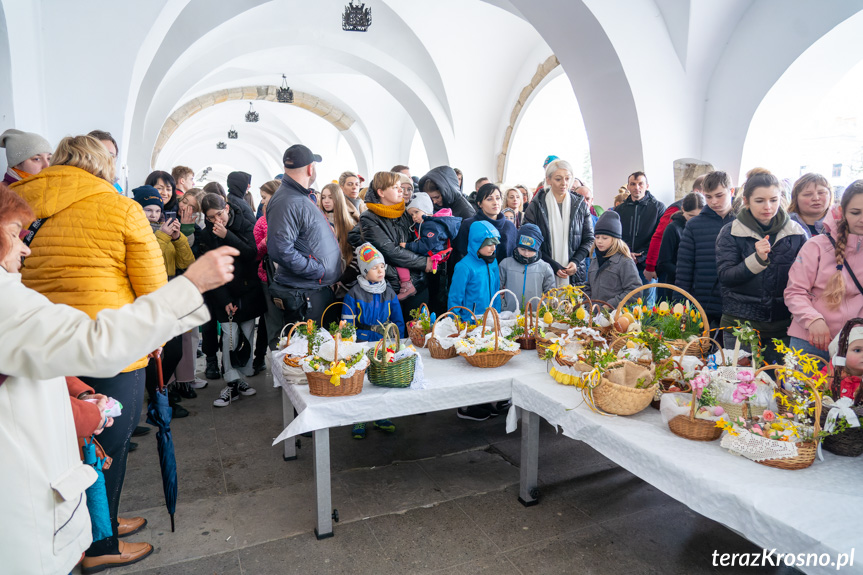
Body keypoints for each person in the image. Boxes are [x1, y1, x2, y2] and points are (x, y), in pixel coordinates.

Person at [0, 181, 237, 574]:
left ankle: (99, 530)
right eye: (13, 235)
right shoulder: (4, 300)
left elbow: (37, 352)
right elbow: (93, 339)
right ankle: (100, 539)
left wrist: (76, 389)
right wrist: (191, 285)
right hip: (23, 477)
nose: (26, 247)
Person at [11, 135, 173, 567]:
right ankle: (101, 544)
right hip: (108, 342)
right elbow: (153, 284)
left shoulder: (21, 201)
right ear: (101, 165)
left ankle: (97, 521)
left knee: (63, 442)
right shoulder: (119, 207)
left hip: (42, 342)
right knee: (109, 439)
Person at [716, 170, 807, 365]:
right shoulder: (731, 231)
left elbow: (805, 280)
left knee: (778, 387)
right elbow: (726, 276)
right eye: (760, 201)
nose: (768, 207)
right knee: (737, 385)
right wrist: (756, 259)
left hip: (782, 326)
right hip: (739, 324)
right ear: (746, 200)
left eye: (773, 200)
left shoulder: (796, 233)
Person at [267, 144, 343, 332]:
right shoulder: (288, 200)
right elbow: (280, 249)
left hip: (311, 289)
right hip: (304, 293)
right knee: (307, 352)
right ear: (310, 168)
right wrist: (316, 270)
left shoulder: (296, 196)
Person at [199, 193, 265, 407]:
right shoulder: (207, 235)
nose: (217, 220)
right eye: (211, 218)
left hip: (247, 292)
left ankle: (241, 380)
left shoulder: (245, 224)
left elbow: (250, 254)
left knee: (246, 336)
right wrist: (224, 299)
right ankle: (231, 381)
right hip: (224, 293)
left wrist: (227, 234)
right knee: (229, 339)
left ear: (226, 208)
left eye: (219, 214)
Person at [785, 181, 863, 361]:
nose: (862, 219)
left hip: (855, 344)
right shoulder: (816, 245)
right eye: (855, 212)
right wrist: (813, 319)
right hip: (810, 339)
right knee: (801, 390)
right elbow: (794, 291)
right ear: (842, 212)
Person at [351, 171, 432, 318]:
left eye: (401, 186)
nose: (401, 190)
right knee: (395, 335)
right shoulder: (369, 218)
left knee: (420, 334)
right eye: (395, 187)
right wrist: (423, 262)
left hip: (419, 284)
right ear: (381, 192)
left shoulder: (407, 212)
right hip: (391, 288)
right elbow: (389, 251)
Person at [675, 171, 735, 328]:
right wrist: (680, 304)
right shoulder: (694, 225)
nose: (714, 201)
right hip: (702, 303)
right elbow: (684, 268)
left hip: (736, 304)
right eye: (708, 197)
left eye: (719, 195)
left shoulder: (743, 223)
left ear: (731, 191)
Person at [523, 159, 594, 287]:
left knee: (574, 307)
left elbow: (589, 239)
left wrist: (576, 261)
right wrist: (551, 264)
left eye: (567, 178)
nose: (564, 184)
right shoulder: (535, 206)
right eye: (558, 179)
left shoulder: (580, 205)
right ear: (548, 180)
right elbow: (529, 241)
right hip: (543, 269)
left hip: (574, 274)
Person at [644, 174, 705, 282]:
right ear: (683, 210)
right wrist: (650, 266)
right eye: (691, 216)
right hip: (676, 279)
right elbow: (658, 238)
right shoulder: (673, 225)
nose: (693, 221)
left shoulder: (704, 225)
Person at [614, 172, 666, 299]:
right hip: (624, 262)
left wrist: (642, 256)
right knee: (625, 302)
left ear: (647, 186)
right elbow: (616, 236)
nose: (637, 187)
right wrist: (626, 253)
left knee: (647, 305)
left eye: (640, 184)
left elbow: (660, 237)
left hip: (646, 265)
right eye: (633, 184)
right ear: (628, 187)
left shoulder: (658, 207)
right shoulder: (619, 210)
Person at [584, 211, 642, 307]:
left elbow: (635, 291)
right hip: (594, 317)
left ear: (615, 239)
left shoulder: (625, 262)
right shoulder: (595, 260)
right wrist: (586, 305)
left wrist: (610, 306)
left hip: (616, 317)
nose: (599, 241)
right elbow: (588, 286)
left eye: (605, 238)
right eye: (597, 237)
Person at [251, 180, 280, 369]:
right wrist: (266, 242)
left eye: (264, 197)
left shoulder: (287, 217)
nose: (262, 202)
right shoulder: (262, 222)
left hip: (289, 279)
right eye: (261, 198)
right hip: (267, 278)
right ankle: (278, 370)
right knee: (274, 324)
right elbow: (254, 254)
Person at [453, 183, 518, 269]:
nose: (495, 202)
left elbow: (514, 255)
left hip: (503, 277)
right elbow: (460, 255)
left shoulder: (509, 226)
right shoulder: (469, 224)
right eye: (489, 199)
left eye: (498, 198)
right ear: (480, 204)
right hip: (476, 277)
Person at [655, 191, 704, 299]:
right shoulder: (672, 229)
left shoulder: (704, 228)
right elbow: (663, 263)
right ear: (683, 209)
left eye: (698, 216)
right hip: (676, 285)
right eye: (690, 215)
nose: (694, 219)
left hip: (699, 287)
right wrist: (686, 275)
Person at [448, 220, 501, 320]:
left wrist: (497, 315)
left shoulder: (493, 262)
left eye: (495, 244)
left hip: (491, 319)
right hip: (470, 321)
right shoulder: (464, 266)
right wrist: (455, 322)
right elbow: (455, 298)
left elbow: (496, 291)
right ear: (477, 243)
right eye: (489, 244)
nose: (493, 248)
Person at [499, 223, 555, 312]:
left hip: (535, 316)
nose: (526, 254)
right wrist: (503, 306)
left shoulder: (545, 268)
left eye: (530, 250)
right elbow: (497, 289)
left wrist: (542, 310)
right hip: (510, 315)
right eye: (522, 249)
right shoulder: (505, 264)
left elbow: (551, 293)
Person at [788, 173, 832, 238]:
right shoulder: (783, 224)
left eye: (821, 193)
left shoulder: (841, 224)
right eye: (807, 194)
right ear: (795, 198)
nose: (816, 198)